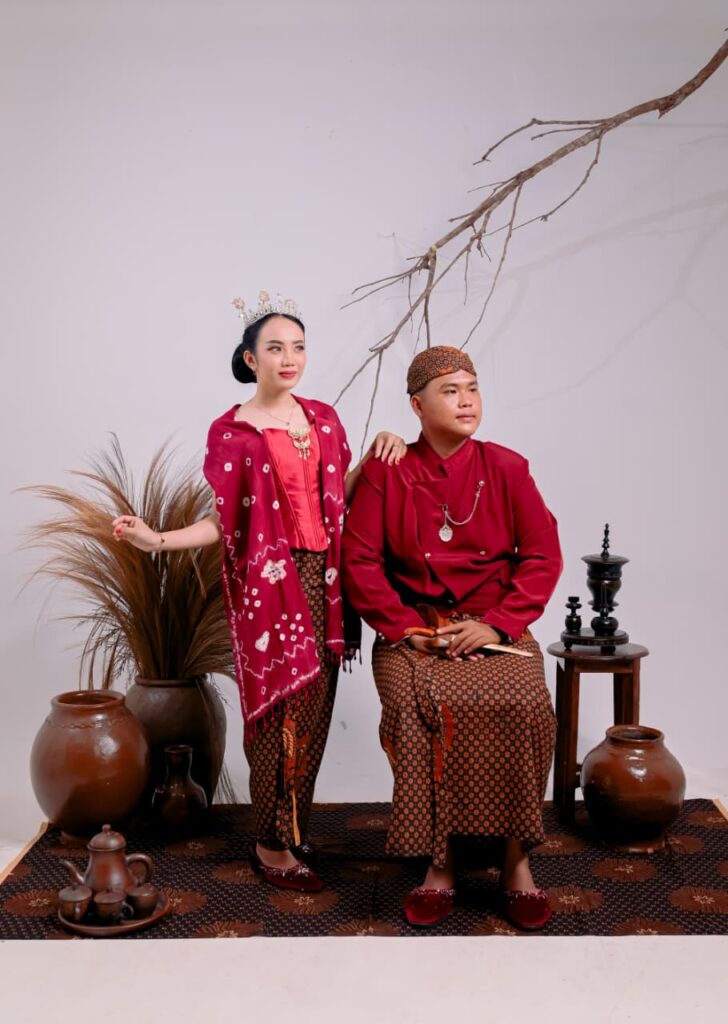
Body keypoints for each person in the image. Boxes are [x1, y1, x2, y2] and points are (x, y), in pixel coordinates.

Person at [113, 292, 406, 892]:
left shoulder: (324, 419)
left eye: (298, 347)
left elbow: (337, 496)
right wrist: (157, 540)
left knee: (315, 712)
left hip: (328, 583)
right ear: (251, 359)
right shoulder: (234, 433)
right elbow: (225, 523)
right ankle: (270, 844)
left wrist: (380, 448)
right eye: (275, 348)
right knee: (277, 714)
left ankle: (293, 828)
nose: (289, 358)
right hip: (269, 585)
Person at [341, 345, 562, 929]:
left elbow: (543, 555)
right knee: (416, 714)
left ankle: (516, 862)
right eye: (450, 390)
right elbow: (359, 561)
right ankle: (439, 863)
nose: (466, 401)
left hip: (495, 624)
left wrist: (498, 623)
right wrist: (405, 629)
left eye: (473, 388)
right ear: (417, 405)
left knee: (525, 703)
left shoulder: (507, 467)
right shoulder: (388, 471)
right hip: (412, 627)